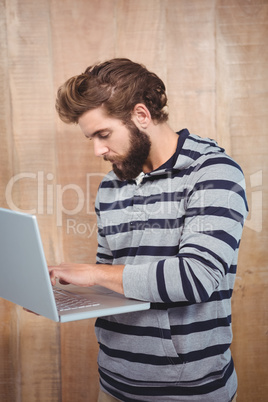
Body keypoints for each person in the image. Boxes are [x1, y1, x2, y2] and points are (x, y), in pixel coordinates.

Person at [49, 58, 248, 402]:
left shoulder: (213, 173)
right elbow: (112, 281)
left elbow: (195, 278)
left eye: (103, 134)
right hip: (113, 382)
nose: (98, 150)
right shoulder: (113, 185)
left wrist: (94, 274)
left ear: (142, 115)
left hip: (188, 391)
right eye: (91, 138)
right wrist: (62, 299)